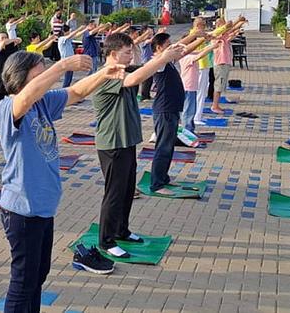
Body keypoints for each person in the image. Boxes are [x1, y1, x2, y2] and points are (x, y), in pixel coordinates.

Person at [0, 52, 125, 311]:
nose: (48, 80)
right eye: (39, 74)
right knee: (23, 282)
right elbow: (25, 98)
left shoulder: (43, 102)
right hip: (22, 210)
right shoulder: (8, 107)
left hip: (43, 208)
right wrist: (62, 65)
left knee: (37, 278)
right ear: (21, 77)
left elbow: (76, 92)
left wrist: (103, 74)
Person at [93, 32, 185, 258]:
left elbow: (147, 68)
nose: (131, 56)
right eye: (127, 52)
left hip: (127, 141)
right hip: (112, 142)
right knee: (114, 193)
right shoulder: (105, 75)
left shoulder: (125, 70)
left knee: (126, 190)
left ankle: (121, 230)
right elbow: (134, 80)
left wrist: (175, 50)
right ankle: (106, 240)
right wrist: (163, 57)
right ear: (113, 54)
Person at [148, 30, 207, 196]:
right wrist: (195, 35)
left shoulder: (167, 61)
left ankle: (164, 178)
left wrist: (200, 38)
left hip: (172, 109)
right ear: (159, 48)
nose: (172, 47)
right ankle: (157, 184)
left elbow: (183, 49)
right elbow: (178, 48)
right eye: (167, 45)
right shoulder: (158, 62)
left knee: (169, 146)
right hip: (164, 109)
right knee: (163, 147)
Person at [180, 41, 219, 132]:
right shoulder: (187, 57)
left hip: (191, 86)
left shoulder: (189, 54)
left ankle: (189, 128)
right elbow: (199, 55)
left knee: (190, 109)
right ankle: (187, 129)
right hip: (188, 86)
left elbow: (199, 51)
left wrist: (210, 46)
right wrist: (211, 47)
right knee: (188, 110)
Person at [211, 18, 243, 114]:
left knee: (220, 86)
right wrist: (239, 21)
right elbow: (230, 28)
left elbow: (230, 33)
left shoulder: (222, 35)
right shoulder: (217, 34)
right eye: (223, 24)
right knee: (218, 86)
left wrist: (238, 26)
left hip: (224, 63)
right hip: (220, 63)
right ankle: (214, 106)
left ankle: (216, 105)